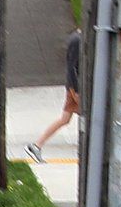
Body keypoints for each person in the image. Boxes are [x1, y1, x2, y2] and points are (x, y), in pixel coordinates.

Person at [30, 28, 82, 162]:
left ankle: (37, 145)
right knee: (90, 118)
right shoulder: (77, 40)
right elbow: (72, 67)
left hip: (73, 86)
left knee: (64, 119)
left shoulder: (76, 38)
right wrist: (75, 90)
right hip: (75, 88)